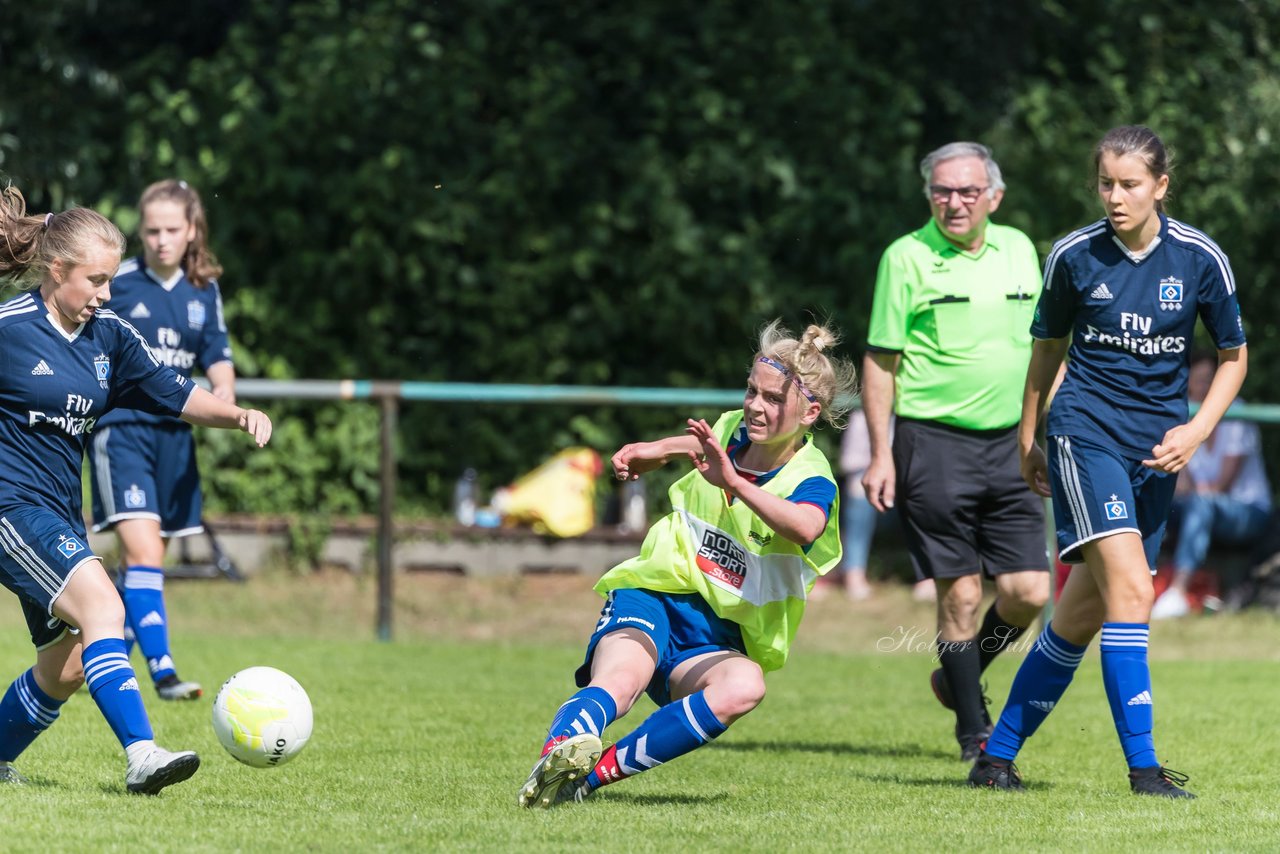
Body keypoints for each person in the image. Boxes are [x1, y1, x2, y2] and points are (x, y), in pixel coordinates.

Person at [969, 125, 1247, 799]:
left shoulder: (1199, 258)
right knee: (1132, 594)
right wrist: (1028, 436)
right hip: (1084, 431)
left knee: (1081, 615)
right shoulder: (1073, 255)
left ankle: (996, 756)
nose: (1115, 197)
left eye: (1129, 184)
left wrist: (1198, 430)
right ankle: (1146, 771)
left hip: (1157, 450)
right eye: (1105, 184)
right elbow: (1045, 353)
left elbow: (1236, 356)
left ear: (1161, 186)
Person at [517, 320, 857, 808]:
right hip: (656, 592)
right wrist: (654, 450)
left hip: (719, 635)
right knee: (620, 682)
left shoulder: (811, 477)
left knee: (745, 686)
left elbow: (805, 526)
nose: (756, 407)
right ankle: (554, 759)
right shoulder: (732, 431)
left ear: (811, 412)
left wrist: (735, 484)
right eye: (751, 391)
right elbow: (703, 446)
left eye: (773, 400)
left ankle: (584, 781)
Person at [0, 186, 272, 793]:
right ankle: (143, 754)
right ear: (56, 270)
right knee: (105, 607)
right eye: (94, 280)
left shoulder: (110, 336)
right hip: (8, 506)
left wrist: (237, 415)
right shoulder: (9, 329)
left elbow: (175, 392)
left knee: (68, 664)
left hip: (59, 512)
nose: (105, 293)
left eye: (109, 282)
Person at [862, 141, 1050, 761]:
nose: (955, 202)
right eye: (942, 191)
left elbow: (1052, 347)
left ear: (994, 196)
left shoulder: (1022, 249)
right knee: (962, 594)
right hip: (932, 442)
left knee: (1028, 592)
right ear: (929, 196)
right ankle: (974, 733)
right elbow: (880, 361)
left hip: (1014, 444)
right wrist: (882, 454)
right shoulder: (906, 257)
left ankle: (955, 677)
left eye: (969, 191)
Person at [86, 180, 234, 701]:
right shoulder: (118, 283)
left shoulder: (204, 290)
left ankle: (104, 657)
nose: (162, 240)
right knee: (145, 553)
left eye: (172, 230)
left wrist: (227, 399)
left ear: (192, 230)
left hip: (177, 436)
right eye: (152, 230)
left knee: (146, 563)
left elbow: (217, 353)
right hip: (122, 430)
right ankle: (164, 671)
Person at [1152, 351, 1271, 618]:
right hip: (1199, 506)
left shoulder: (1237, 410)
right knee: (1153, 501)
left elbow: (1221, 487)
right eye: (1200, 379)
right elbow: (1180, 482)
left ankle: (1178, 593)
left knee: (1201, 504)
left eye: (1211, 378)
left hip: (1248, 511)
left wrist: (1191, 488)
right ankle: (1142, 587)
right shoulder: (1179, 414)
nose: (1206, 385)